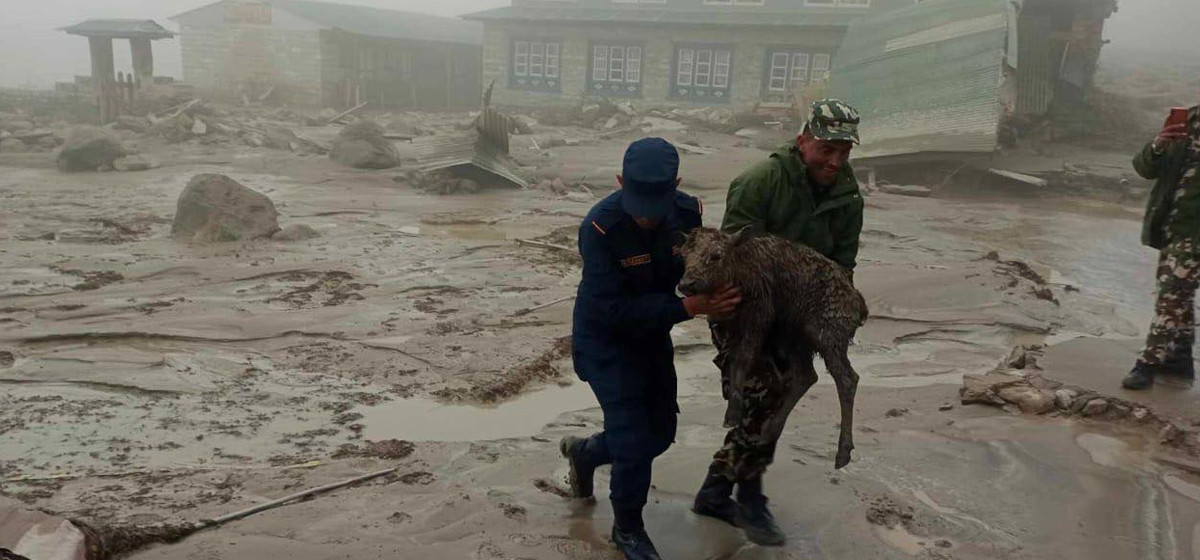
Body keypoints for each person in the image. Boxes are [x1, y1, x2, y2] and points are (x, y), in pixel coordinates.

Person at [691, 99, 865, 546]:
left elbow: (841, 264)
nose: (835, 161)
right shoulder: (759, 183)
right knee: (761, 396)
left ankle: (716, 489)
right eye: (827, 149)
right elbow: (730, 261)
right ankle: (746, 497)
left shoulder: (847, 197)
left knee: (780, 394)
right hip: (741, 305)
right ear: (803, 139)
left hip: (798, 311)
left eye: (844, 152)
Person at [560, 137, 741, 560]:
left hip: (652, 336)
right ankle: (627, 528)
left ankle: (585, 453)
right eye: (637, 202)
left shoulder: (687, 212)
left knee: (660, 433)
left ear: (675, 184)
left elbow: (699, 266)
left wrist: (721, 297)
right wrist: (688, 307)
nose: (644, 216)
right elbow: (611, 310)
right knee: (634, 439)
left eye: (654, 204)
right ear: (621, 181)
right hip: (605, 341)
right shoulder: (600, 228)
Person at [1123, 102, 1200, 390]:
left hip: (1195, 233)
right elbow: (1144, 169)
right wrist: (1157, 144)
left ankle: (1147, 364)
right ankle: (1179, 359)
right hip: (1171, 227)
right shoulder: (1186, 122)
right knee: (1179, 292)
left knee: (1170, 295)